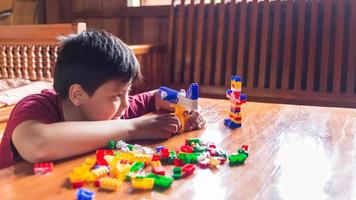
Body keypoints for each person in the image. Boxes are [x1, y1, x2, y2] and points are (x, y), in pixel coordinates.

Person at [0, 30, 205, 169]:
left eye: (128, 91)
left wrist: (183, 103)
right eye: (117, 95)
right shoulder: (34, 107)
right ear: (77, 95)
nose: (126, 103)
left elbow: (156, 96)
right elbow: (38, 144)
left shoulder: (112, 108)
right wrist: (134, 128)